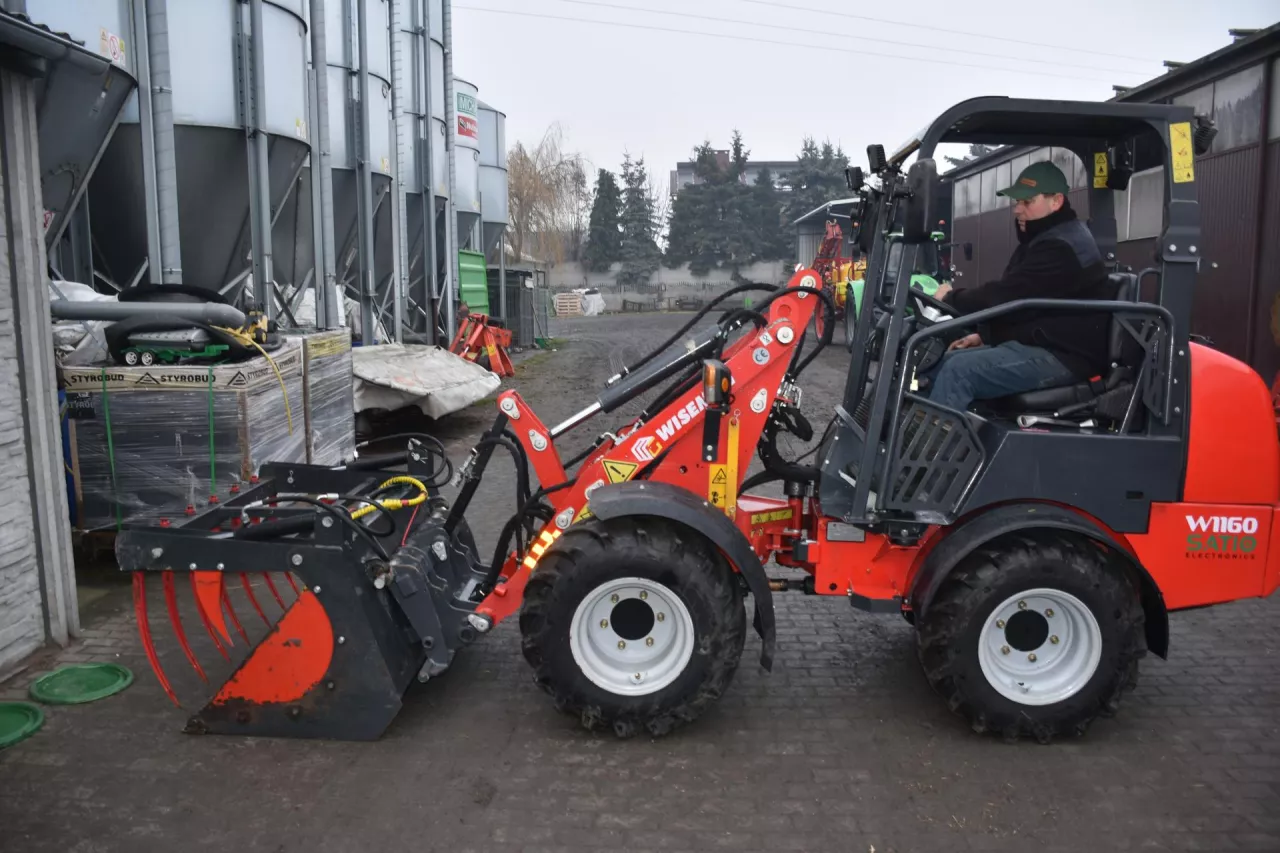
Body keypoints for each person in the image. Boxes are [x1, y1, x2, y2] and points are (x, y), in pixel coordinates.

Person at [919, 161, 1114, 412]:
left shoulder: (1061, 247)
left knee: (959, 371)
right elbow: (1027, 307)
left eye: (1027, 202)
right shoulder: (1045, 238)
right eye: (1016, 202)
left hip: (1066, 356)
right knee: (942, 361)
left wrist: (951, 297)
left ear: (1056, 201)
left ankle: (933, 448)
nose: (1017, 210)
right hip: (1046, 342)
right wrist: (984, 335)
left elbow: (1006, 296)